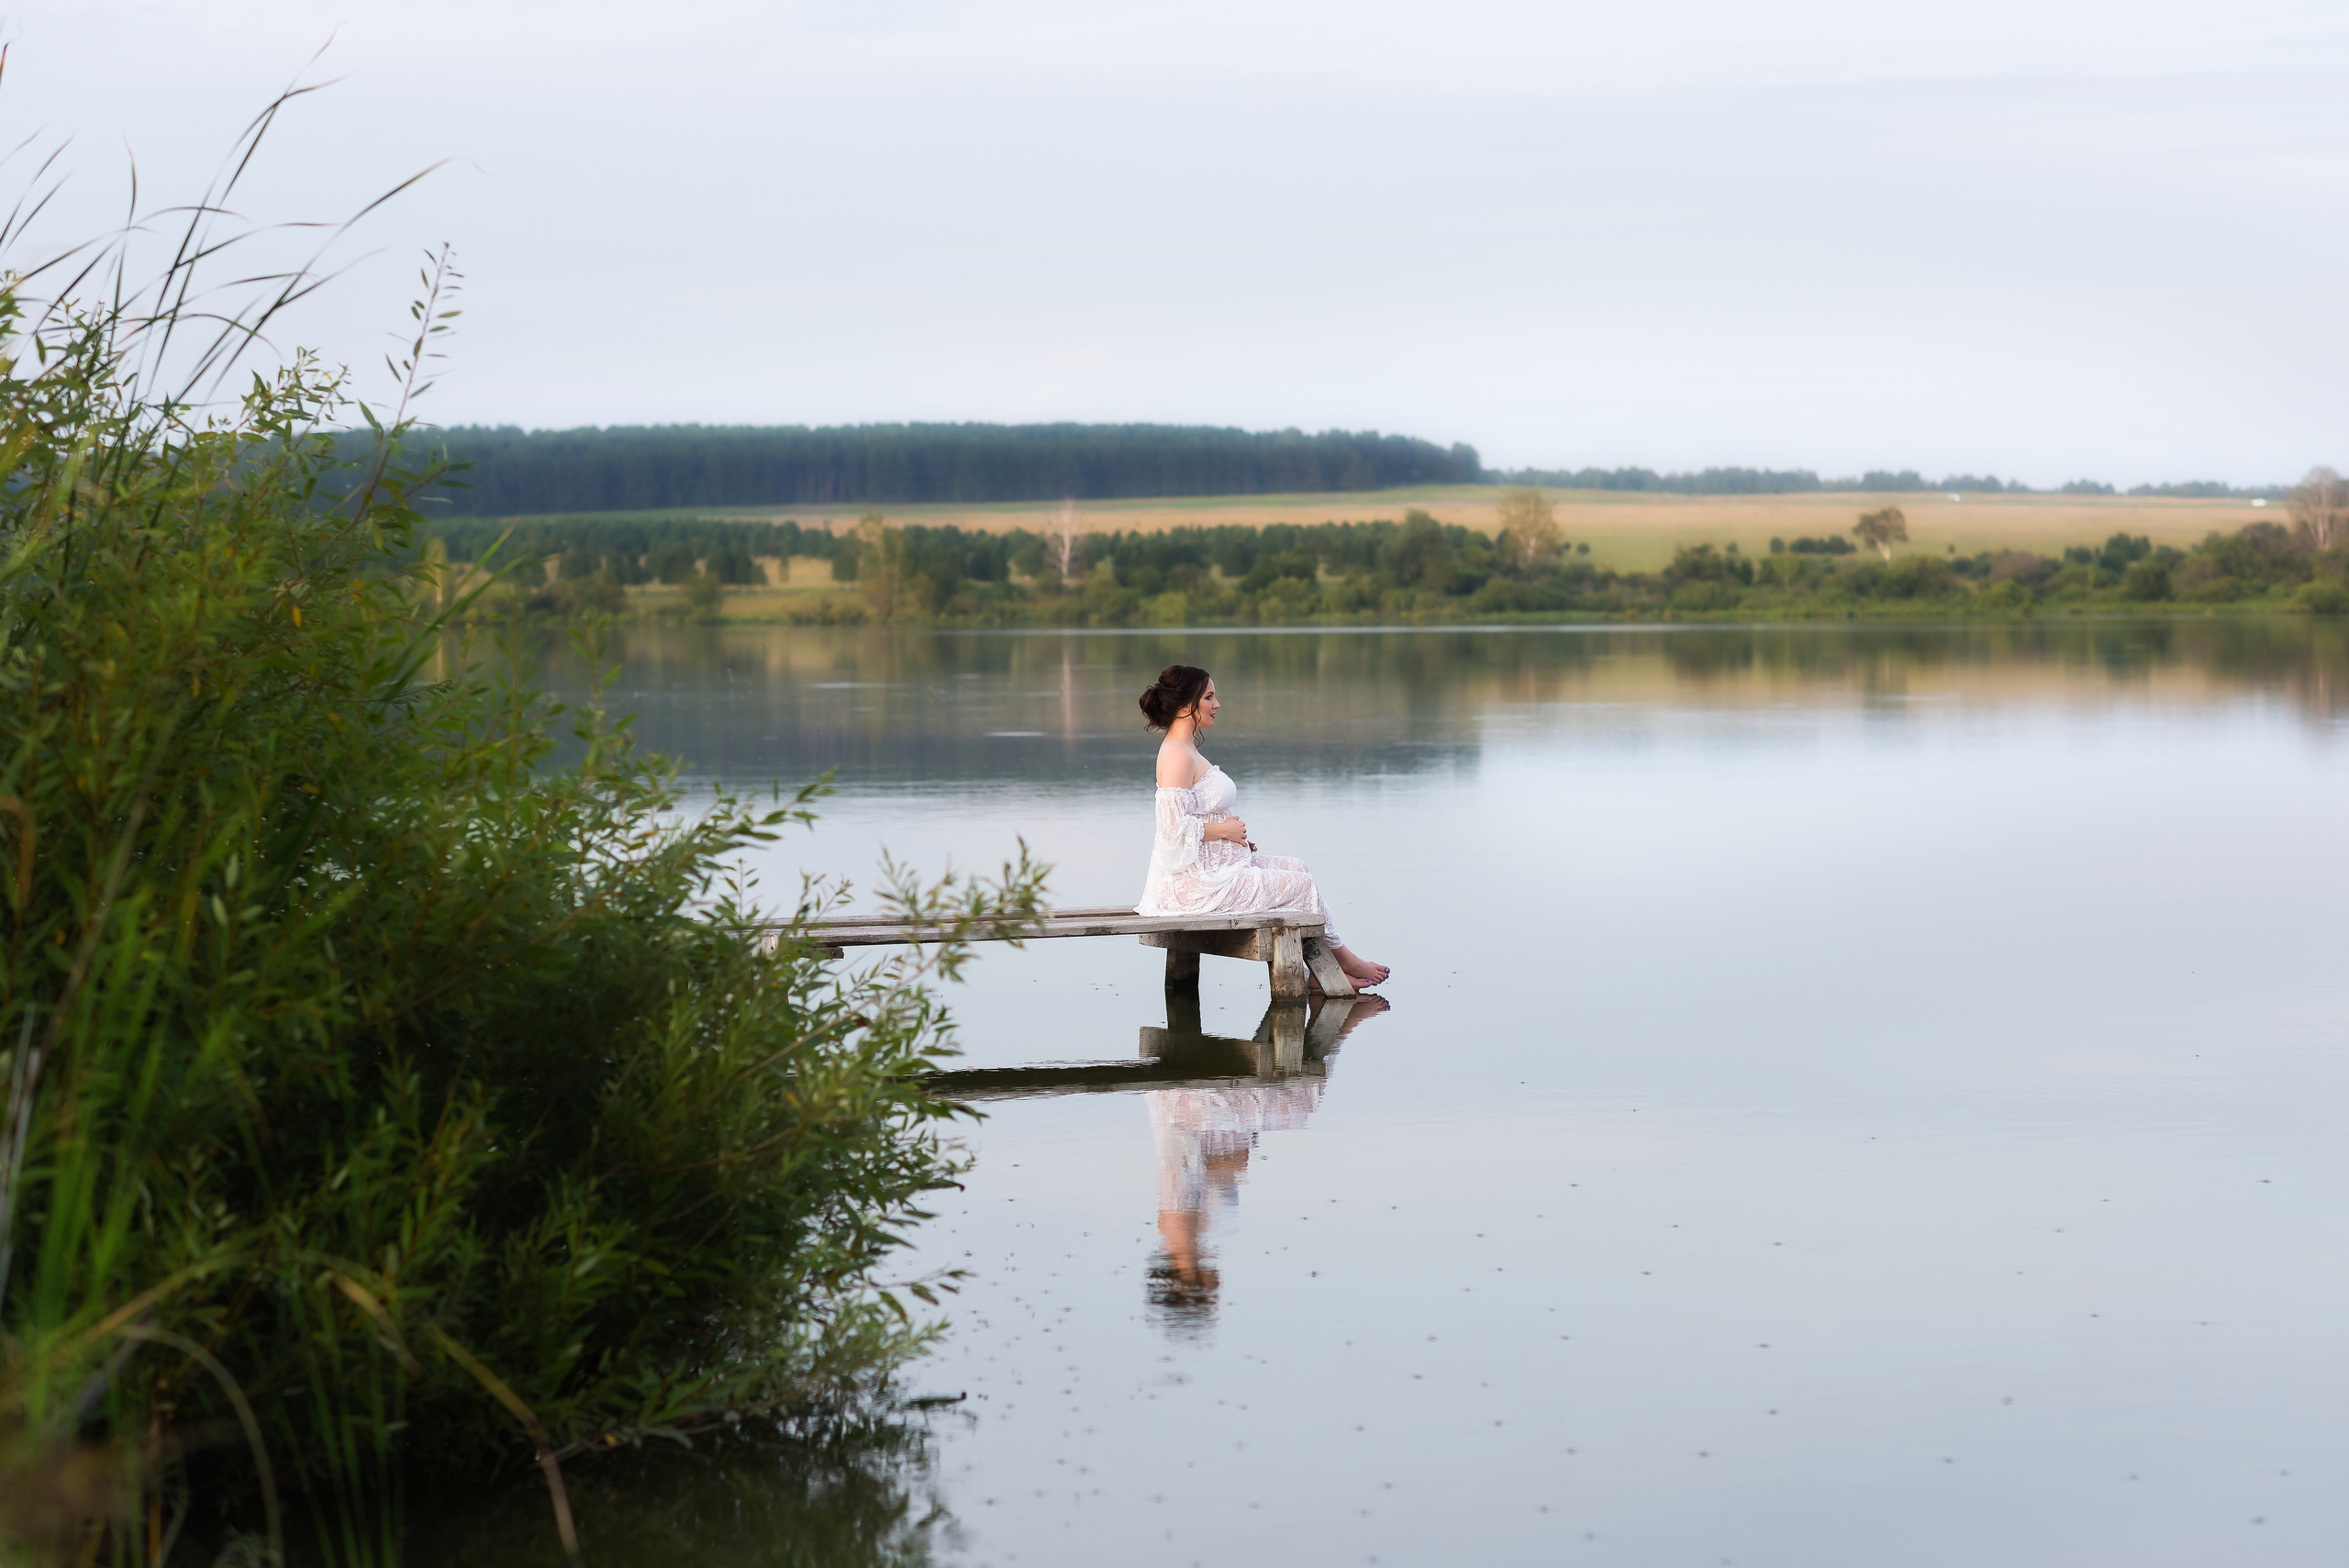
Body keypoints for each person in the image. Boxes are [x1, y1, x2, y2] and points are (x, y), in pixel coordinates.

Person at [1134, 663, 1389, 990]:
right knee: (1299, 887)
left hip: (1218, 868)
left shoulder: (1187, 750)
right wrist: (1224, 833)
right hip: (1193, 889)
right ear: (1186, 706)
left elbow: (1196, 816)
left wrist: (1232, 842)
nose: (1217, 704)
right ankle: (1342, 963)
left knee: (1298, 868)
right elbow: (1172, 831)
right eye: (1209, 697)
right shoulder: (1177, 756)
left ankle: (1320, 971)